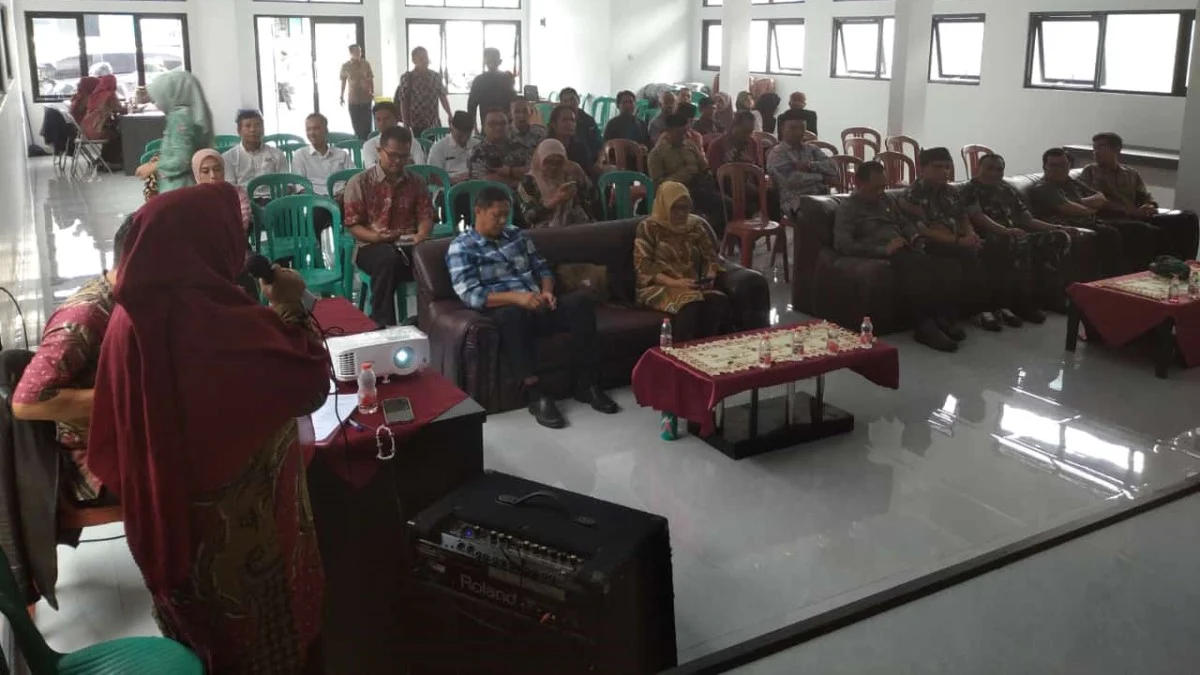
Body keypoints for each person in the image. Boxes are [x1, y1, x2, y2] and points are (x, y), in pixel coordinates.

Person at [87, 183, 329, 674]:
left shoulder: (130, 314)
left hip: (170, 524)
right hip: (246, 547)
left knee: (206, 651)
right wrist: (290, 307)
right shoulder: (217, 323)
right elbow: (309, 387)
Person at [445, 186, 619, 429]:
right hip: (510, 310)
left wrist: (547, 291)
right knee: (510, 315)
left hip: (539, 305)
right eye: (497, 215)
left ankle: (586, 384)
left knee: (580, 302)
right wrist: (518, 298)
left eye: (506, 214)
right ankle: (536, 395)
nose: (503, 221)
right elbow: (471, 295)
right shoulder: (461, 247)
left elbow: (543, 270)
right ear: (479, 212)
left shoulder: (517, 235)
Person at [12, 219, 130, 505]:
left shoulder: (131, 299)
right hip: (95, 463)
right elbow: (27, 402)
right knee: (223, 464)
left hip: (128, 436)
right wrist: (129, 398)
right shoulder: (83, 318)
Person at [835, 161, 963, 352]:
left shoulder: (885, 200)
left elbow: (904, 222)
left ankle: (940, 318)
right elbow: (843, 244)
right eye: (875, 188)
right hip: (883, 252)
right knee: (915, 267)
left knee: (946, 265)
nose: (880, 192)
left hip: (905, 246)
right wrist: (883, 250)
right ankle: (924, 327)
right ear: (858, 183)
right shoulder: (848, 208)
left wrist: (913, 236)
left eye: (883, 187)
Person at [898, 147, 998, 330]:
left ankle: (1001, 306)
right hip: (929, 242)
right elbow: (924, 229)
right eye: (938, 167)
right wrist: (959, 241)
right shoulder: (911, 195)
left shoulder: (951, 192)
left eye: (947, 167)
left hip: (955, 238)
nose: (944, 171)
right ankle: (978, 310)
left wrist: (970, 234)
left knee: (993, 246)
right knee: (966, 255)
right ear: (923, 169)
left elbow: (963, 216)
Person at [960, 153, 1070, 318]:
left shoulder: (1007, 189)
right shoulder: (969, 189)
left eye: (999, 169)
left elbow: (1026, 219)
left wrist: (1057, 227)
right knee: (1016, 242)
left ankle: (1050, 297)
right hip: (988, 236)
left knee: (1055, 237)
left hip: (1014, 233)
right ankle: (1020, 304)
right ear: (978, 168)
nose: (994, 173)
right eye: (990, 168)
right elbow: (978, 217)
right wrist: (1007, 231)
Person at [344, 126, 434, 327]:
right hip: (371, 246)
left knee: (437, 255)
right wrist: (376, 237)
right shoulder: (360, 182)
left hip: (408, 242)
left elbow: (426, 216)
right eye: (392, 155)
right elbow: (353, 224)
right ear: (379, 151)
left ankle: (430, 321)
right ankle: (383, 325)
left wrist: (421, 235)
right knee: (387, 259)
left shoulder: (416, 181)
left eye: (403, 157)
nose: (398, 162)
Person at [1030, 147, 1156, 277]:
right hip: (1070, 224)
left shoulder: (1070, 182)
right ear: (1045, 167)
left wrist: (1082, 203)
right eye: (1054, 165)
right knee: (1111, 234)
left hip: (1091, 221)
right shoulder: (1043, 187)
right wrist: (1091, 207)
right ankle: (1112, 279)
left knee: (1141, 229)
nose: (1060, 169)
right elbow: (1069, 208)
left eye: (1064, 165)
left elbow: (1100, 197)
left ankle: (1144, 274)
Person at [1081, 131, 1198, 261]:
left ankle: (1189, 263)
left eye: (1101, 147)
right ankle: (1172, 266)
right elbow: (1098, 201)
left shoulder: (1131, 174)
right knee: (1152, 232)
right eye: (1094, 148)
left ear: (1116, 150)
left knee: (1187, 218)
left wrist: (1149, 206)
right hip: (1111, 218)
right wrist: (1132, 212)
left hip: (1137, 216)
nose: (1095, 152)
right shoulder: (1090, 172)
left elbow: (1145, 196)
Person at [633, 181, 729, 341]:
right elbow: (644, 267)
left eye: (685, 207)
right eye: (676, 208)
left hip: (691, 284)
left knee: (716, 300)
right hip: (658, 286)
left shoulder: (694, 225)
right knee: (689, 303)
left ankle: (707, 352)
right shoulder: (649, 228)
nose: (681, 213)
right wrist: (676, 283)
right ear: (665, 206)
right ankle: (680, 355)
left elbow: (711, 256)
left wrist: (710, 275)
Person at [136, 71, 214, 194]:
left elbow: (183, 160)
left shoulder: (180, 118)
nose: (157, 103)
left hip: (179, 188)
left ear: (172, 94)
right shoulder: (191, 113)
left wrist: (153, 167)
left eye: (159, 97)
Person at [648, 113, 726, 236]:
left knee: (727, 200)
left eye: (685, 132)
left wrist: (709, 174)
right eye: (679, 133)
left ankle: (719, 237)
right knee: (717, 204)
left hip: (700, 184)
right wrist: (682, 175)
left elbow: (704, 166)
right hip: (678, 190)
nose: (683, 136)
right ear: (668, 131)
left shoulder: (690, 145)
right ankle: (711, 237)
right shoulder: (657, 154)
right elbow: (658, 184)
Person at [767, 110, 838, 220]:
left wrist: (810, 166)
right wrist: (823, 177)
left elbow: (833, 168)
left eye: (802, 128)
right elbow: (793, 180)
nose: (798, 132)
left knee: (848, 210)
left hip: (823, 198)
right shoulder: (777, 154)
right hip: (796, 202)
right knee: (821, 214)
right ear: (782, 129)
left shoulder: (812, 149)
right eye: (793, 128)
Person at [519, 139, 594, 228]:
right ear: (539, 161)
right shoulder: (528, 182)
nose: (553, 167)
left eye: (558, 162)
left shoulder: (569, 176)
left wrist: (582, 179)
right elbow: (528, 218)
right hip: (541, 233)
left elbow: (592, 198)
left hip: (573, 228)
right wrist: (554, 201)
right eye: (548, 162)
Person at [222, 110, 287, 194]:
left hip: (273, 200)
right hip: (243, 202)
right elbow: (230, 189)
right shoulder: (228, 158)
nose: (253, 130)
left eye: (257, 125)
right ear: (239, 131)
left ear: (263, 129)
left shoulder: (277, 154)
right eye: (248, 126)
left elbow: (286, 182)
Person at [394, 46, 452, 138]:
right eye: (421, 58)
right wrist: (405, 125)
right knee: (417, 149)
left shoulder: (435, 77)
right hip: (415, 123)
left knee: (431, 148)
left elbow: (442, 97)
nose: (425, 61)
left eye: (426, 57)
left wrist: (449, 114)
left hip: (433, 122)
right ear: (414, 61)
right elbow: (403, 101)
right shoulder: (407, 78)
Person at [292, 112, 355, 197]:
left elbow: (354, 177)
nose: (312, 133)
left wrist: (345, 194)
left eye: (316, 128)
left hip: (341, 197)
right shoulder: (300, 155)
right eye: (308, 129)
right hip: (314, 200)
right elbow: (299, 186)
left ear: (326, 130)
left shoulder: (341, 154)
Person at [469, 108, 531, 189]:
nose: (498, 127)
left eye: (503, 123)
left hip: (522, 199)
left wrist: (510, 171)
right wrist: (518, 179)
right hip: (491, 198)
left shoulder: (519, 146)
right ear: (484, 127)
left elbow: (531, 174)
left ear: (509, 125)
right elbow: (488, 181)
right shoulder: (478, 152)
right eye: (492, 124)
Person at [192, 149, 252, 232]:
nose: (213, 175)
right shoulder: (191, 198)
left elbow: (242, 223)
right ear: (197, 175)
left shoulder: (237, 192)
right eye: (205, 171)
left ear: (223, 170)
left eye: (217, 169)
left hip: (234, 240)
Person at [547, 105, 605, 179]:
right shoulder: (546, 147)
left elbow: (588, 175)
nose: (570, 124)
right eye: (565, 120)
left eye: (572, 120)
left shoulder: (580, 147)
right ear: (553, 124)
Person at [363, 102, 426, 169]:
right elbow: (372, 170)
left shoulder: (412, 143)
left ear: (397, 119)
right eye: (378, 119)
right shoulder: (369, 145)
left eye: (387, 118)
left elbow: (420, 168)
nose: (382, 123)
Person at [82, 74, 127, 166]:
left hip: (86, 131)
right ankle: (113, 161)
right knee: (119, 134)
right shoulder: (110, 95)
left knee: (112, 131)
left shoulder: (94, 93)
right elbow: (121, 110)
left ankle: (104, 159)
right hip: (97, 130)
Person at [467, 48, 516, 130]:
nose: (491, 63)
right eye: (489, 60)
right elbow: (472, 106)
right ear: (485, 61)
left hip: (506, 123)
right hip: (488, 124)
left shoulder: (507, 78)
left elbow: (513, 101)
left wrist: (513, 122)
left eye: (494, 60)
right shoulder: (479, 80)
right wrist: (474, 128)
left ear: (500, 61)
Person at [428, 110, 480, 185]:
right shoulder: (438, 147)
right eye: (460, 135)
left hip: (475, 186)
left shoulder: (477, 145)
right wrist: (454, 181)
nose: (464, 139)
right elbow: (434, 177)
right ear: (451, 128)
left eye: (467, 135)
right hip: (448, 188)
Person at [340, 44, 376, 139]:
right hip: (353, 99)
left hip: (366, 98)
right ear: (351, 53)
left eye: (360, 51)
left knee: (367, 124)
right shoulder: (346, 66)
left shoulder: (366, 64)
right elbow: (343, 81)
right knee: (356, 125)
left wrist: (372, 92)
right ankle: (359, 144)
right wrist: (341, 96)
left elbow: (370, 79)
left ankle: (368, 144)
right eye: (356, 51)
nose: (359, 53)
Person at [558, 87, 601, 160]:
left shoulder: (589, 121)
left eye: (572, 100)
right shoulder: (557, 120)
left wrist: (599, 162)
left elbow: (598, 145)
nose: (569, 104)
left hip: (589, 161)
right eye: (565, 101)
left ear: (578, 100)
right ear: (561, 104)